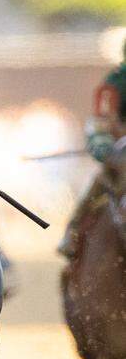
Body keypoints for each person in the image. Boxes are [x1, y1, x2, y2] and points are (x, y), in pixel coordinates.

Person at [58, 44, 126, 258]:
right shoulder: (114, 83)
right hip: (122, 151)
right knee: (101, 182)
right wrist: (103, 144)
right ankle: (73, 233)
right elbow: (101, 122)